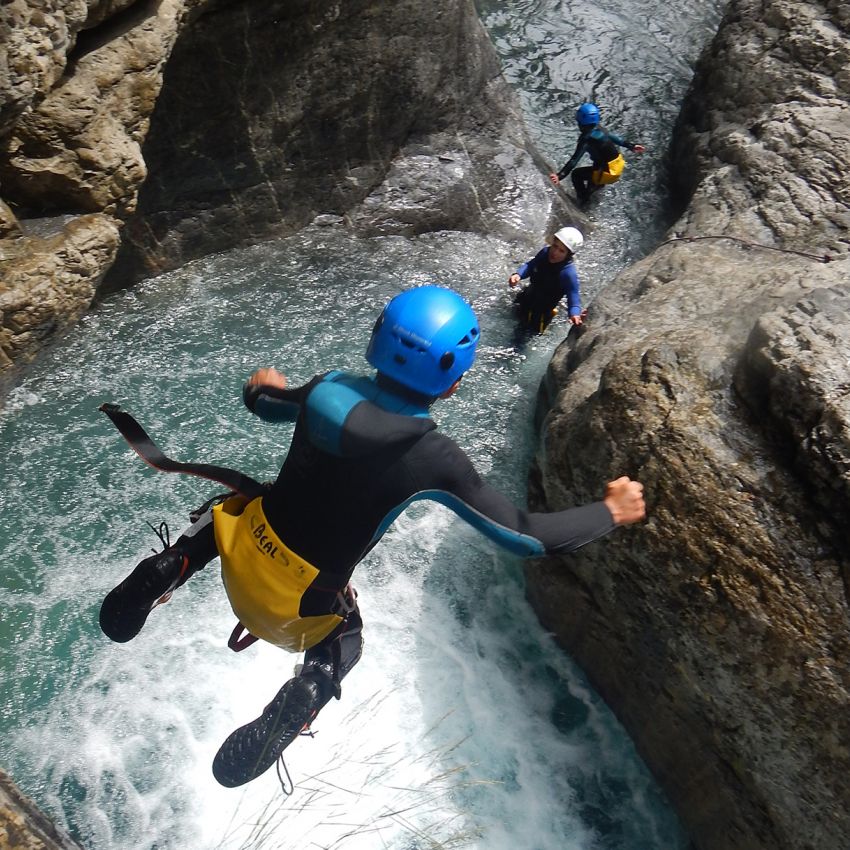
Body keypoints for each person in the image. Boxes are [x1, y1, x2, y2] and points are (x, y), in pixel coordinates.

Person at [99, 285, 646, 788]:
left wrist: (262, 387)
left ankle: (170, 565)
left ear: (377, 340)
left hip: (237, 549)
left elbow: (261, 403)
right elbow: (525, 537)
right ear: (454, 381)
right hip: (295, 606)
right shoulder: (435, 459)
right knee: (348, 640)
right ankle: (305, 694)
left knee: (235, 503)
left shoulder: (326, 389)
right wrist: (609, 510)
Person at [549, 103, 646, 205]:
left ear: (581, 122)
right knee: (595, 174)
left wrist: (559, 176)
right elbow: (617, 139)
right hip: (617, 165)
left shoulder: (586, 139)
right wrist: (631, 146)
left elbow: (574, 160)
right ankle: (594, 189)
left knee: (576, 174)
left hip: (606, 171)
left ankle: (583, 200)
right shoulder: (600, 129)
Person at [509, 226, 585, 334]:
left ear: (569, 255)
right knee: (513, 315)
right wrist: (518, 274)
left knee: (524, 335)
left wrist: (574, 314)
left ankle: (551, 315)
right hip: (527, 296)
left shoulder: (568, 273)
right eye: (555, 246)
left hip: (541, 313)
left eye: (561, 251)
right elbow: (530, 265)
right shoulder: (545, 253)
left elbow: (573, 296)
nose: (555, 252)